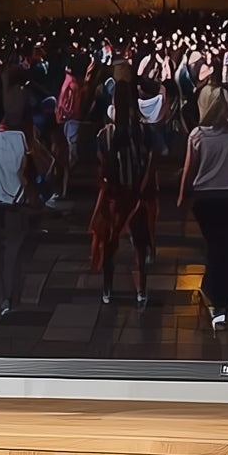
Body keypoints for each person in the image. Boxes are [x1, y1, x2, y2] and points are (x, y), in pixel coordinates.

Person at [178, 82, 228, 328]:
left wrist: (182, 197)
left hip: (205, 199)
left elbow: (189, 173)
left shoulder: (198, 135)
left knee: (213, 245)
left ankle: (215, 294)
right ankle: (225, 292)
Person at [90, 89, 159, 304]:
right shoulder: (143, 132)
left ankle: (107, 290)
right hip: (136, 195)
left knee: (111, 244)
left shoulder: (104, 135)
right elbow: (151, 163)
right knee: (139, 246)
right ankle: (141, 291)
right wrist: (142, 188)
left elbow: (100, 167)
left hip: (115, 196)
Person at [0, 90, 39, 316]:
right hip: (14, 200)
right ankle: (10, 294)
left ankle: (1, 295)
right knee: (12, 250)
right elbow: (25, 173)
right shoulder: (20, 139)